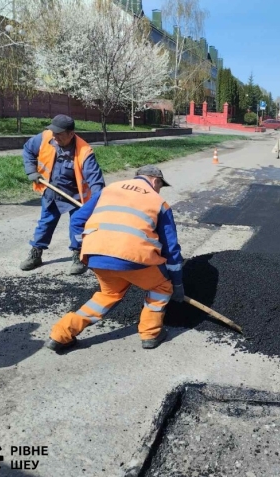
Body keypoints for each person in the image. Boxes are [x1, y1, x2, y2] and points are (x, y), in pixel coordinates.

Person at [45, 165, 184, 352]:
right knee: (161, 287)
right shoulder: (158, 201)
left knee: (107, 295)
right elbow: (171, 249)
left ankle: (61, 334)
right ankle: (151, 333)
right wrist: (177, 284)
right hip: (135, 258)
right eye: (159, 185)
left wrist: (81, 247)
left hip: (96, 256)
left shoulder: (108, 190)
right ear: (154, 180)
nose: (158, 189)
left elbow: (77, 220)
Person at [20, 114, 105, 275]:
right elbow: (28, 150)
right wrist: (31, 171)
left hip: (75, 195)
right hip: (51, 190)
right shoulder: (45, 138)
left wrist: (99, 203)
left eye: (59, 134)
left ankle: (78, 256)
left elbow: (95, 181)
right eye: (53, 132)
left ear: (71, 134)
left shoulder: (84, 151)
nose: (55, 136)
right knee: (45, 223)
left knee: (78, 226)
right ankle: (36, 254)